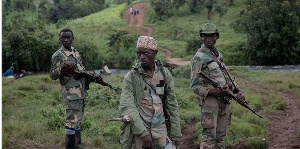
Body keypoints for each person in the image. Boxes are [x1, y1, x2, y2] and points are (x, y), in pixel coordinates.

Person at [119, 36, 181, 149]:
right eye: (139, 53)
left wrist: (176, 133)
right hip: (139, 130)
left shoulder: (164, 74)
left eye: (145, 53)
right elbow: (127, 106)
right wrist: (143, 132)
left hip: (161, 130)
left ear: (155, 52)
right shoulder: (131, 77)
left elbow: (172, 104)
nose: (141, 57)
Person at [190, 23, 245, 149]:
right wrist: (218, 93)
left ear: (216, 37)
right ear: (201, 37)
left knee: (220, 139)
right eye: (205, 36)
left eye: (212, 36)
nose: (208, 39)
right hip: (210, 103)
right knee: (208, 139)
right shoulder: (198, 57)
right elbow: (194, 86)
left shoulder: (218, 55)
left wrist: (238, 90)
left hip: (224, 101)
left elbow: (226, 77)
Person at [50, 28, 102, 149]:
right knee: (71, 121)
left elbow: (81, 70)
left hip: (81, 91)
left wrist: (94, 77)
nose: (66, 40)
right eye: (64, 37)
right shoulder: (58, 55)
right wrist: (63, 67)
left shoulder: (75, 52)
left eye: (68, 37)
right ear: (60, 39)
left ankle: (77, 145)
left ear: (73, 39)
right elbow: (52, 75)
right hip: (70, 93)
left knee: (77, 120)